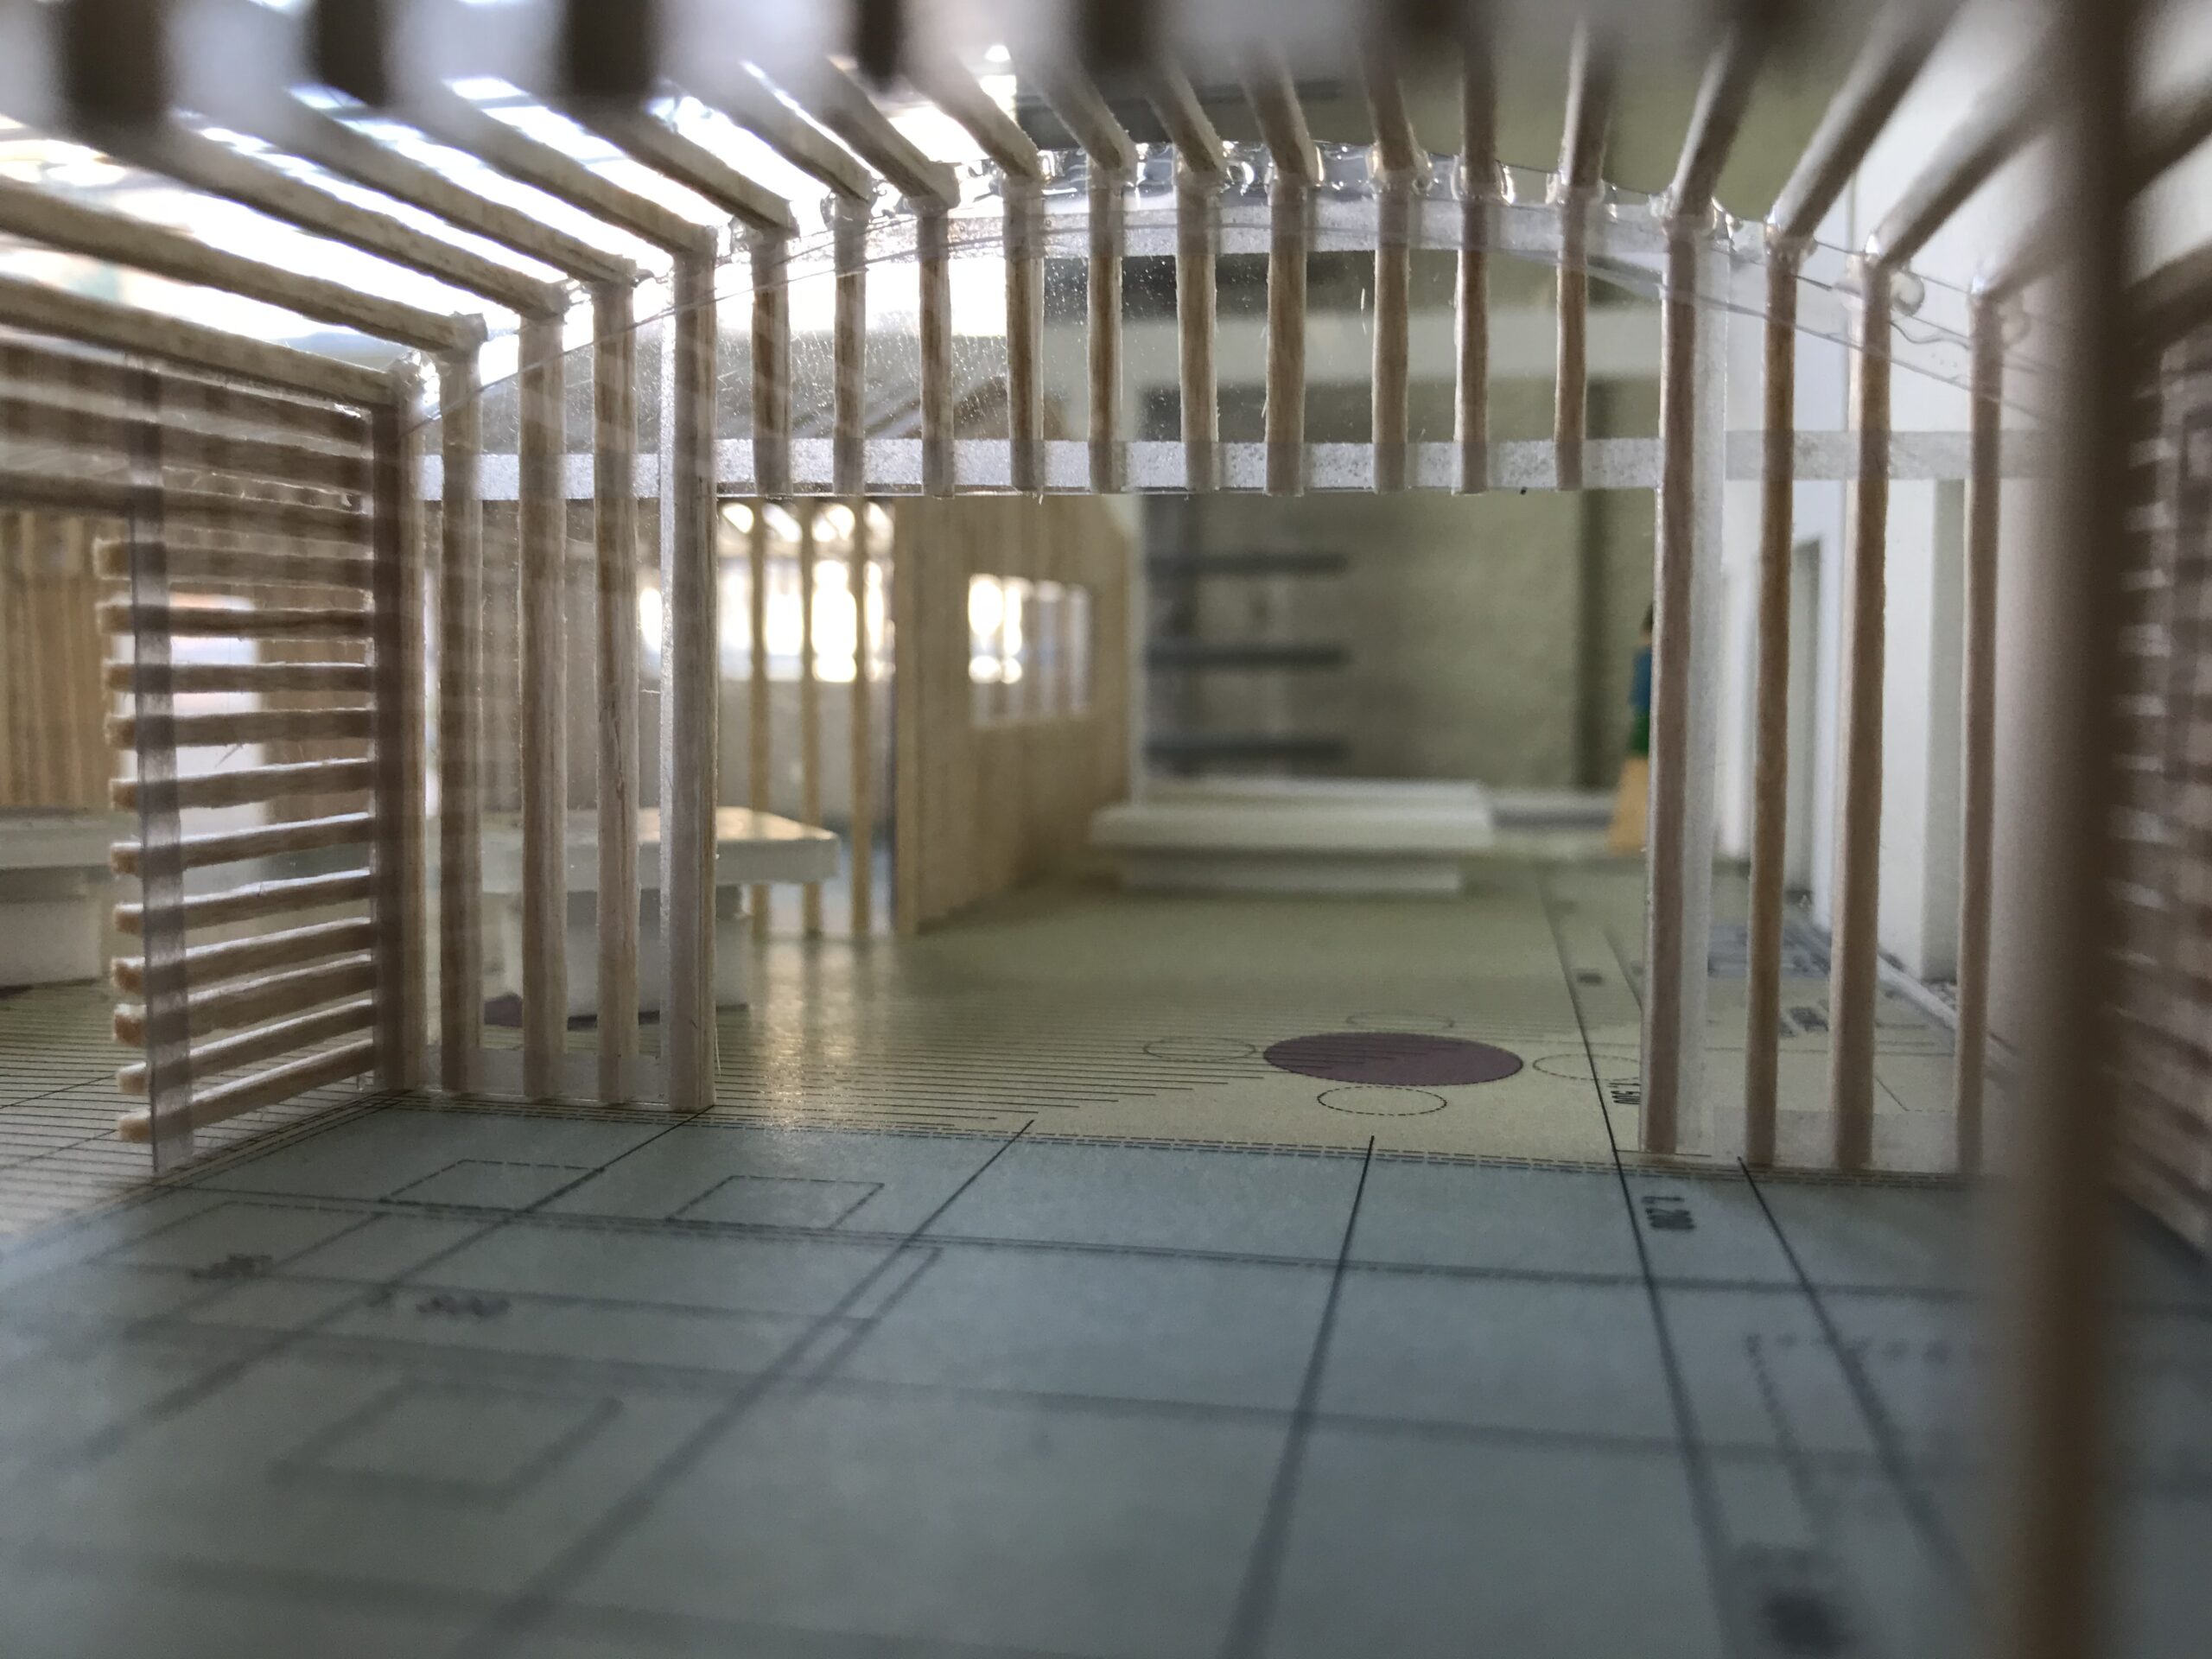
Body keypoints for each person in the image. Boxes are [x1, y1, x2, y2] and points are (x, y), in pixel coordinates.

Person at [1606, 604, 1653, 854]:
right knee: (1639, 779)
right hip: (1648, 723)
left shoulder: (1647, 655)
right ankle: (1631, 834)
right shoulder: (1650, 656)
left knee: (1638, 779)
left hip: (1646, 722)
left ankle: (1631, 834)